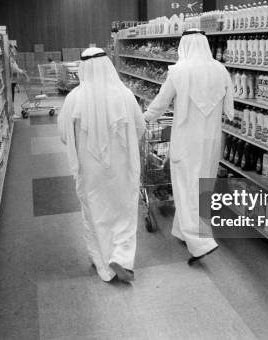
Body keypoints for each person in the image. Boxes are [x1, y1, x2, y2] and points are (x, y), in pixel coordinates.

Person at [144, 29, 234, 265]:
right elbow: (230, 108)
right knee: (204, 185)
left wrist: (143, 118)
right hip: (212, 139)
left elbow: (160, 104)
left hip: (186, 139)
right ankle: (185, 231)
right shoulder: (220, 69)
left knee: (185, 187)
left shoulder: (179, 71)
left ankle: (199, 243)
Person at [58, 47, 145, 282]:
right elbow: (140, 127)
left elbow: (64, 134)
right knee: (124, 210)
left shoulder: (74, 97)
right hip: (123, 166)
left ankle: (103, 263)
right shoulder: (125, 94)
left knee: (95, 211)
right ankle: (122, 256)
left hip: (90, 170)